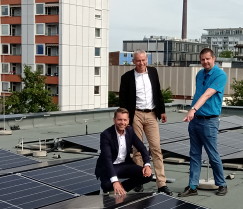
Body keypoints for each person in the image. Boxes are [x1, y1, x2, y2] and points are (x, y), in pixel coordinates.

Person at [119, 49, 172, 196]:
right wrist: (126, 119)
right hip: (135, 114)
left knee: (156, 148)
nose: (141, 63)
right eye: (138, 60)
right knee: (138, 150)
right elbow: (122, 100)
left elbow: (158, 92)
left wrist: (162, 111)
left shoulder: (153, 72)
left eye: (143, 60)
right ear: (133, 61)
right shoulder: (127, 77)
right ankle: (139, 180)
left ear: (146, 60)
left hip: (152, 114)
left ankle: (161, 184)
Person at [178, 48, 228, 197]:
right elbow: (199, 93)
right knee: (194, 154)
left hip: (209, 121)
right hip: (195, 121)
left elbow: (207, 94)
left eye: (207, 59)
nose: (205, 62)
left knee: (212, 154)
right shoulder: (199, 74)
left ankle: (222, 184)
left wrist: (192, 109)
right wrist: (194, 112)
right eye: (202, 59)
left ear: (214, 58)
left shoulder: (220, 75)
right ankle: (193, 186)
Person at [95, 108, 153, 195]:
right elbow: (107, 159)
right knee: (107, 185)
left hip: (124, 164)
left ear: (128, 120)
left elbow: (142, 148)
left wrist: (147, 165)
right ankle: (113, 187)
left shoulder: (130, 131)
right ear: (114, 120)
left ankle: (122, 188)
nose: (122, 122)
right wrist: (115, 181)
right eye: (119, 119)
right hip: (108, 166)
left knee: (147, 176)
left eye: (125, 120)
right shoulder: (106, 135)